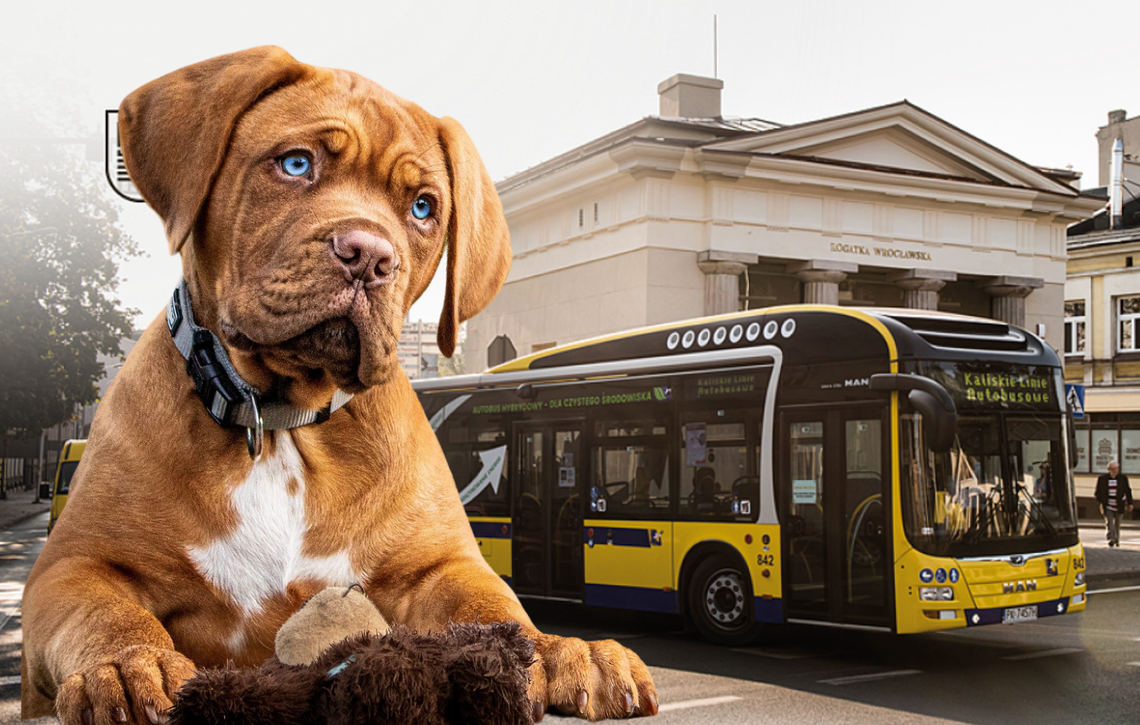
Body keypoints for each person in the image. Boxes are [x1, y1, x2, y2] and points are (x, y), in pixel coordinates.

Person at [1095, 461, 1134, 547]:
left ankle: (1117, 539)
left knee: (1117, 523)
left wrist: (1130, 503)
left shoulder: (1122, 478)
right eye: (1113, 469)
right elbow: (1098, 493)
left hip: (1119, 504)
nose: (1115, 471)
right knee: (1109, 523)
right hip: (1108, 504)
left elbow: (1127, 491)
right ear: (1109, 469)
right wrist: (1101, 503)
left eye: (1117, 469)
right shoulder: (1103, 479)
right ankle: (1111, 539)